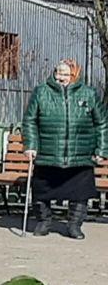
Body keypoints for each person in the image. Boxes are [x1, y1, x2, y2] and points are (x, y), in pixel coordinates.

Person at [22, 59, 107, 240]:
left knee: (80, 192)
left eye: (65, 74)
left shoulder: (89, 93)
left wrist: (101, 150)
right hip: (48, 153)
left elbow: (102, 123)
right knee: (41, 190)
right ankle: (44, 221)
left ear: (74, 75)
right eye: (58, 73)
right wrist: (30, 146)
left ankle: (74, 225)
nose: (60, 77)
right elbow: (30, 121)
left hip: (80, 155)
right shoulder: (41, 92)